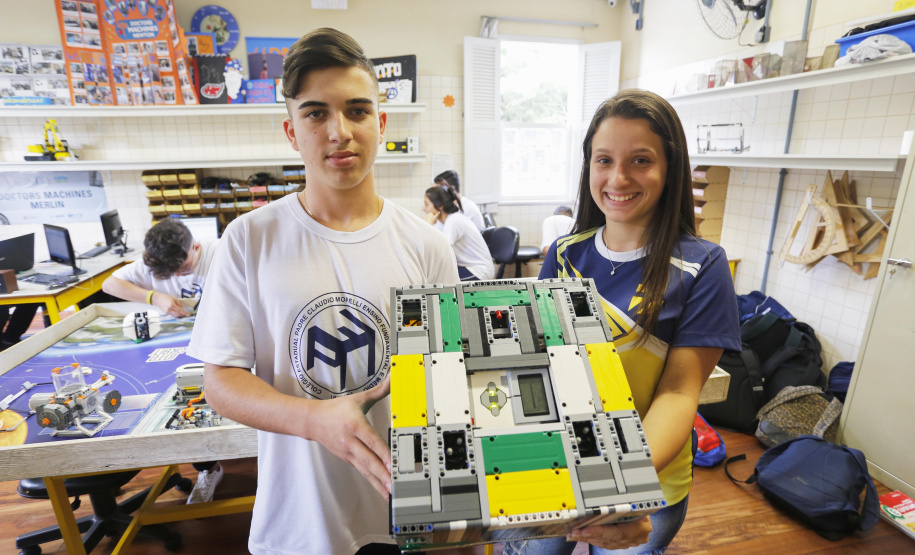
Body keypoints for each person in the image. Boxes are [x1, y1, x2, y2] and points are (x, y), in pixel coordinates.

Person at [186, 28, 459, 555]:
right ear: (292, 131)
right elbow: (220, 381)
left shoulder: (428, 246)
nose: (339, 132)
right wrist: (314, 419)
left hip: (408, 510)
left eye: (357, 111)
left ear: (380, 123)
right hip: (300, 522)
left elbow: (446, 378)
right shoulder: (249, 238)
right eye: (316, 114)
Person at [509, 90, 740, 555]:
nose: (618, 177)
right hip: (558, 463)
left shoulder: (702, 265)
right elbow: (537, 359)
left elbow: (678, 393)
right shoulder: (565, 253)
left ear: (669, 168)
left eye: (640, 160)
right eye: (603, 160)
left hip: (645, 476)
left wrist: (614, 483)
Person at [102, 218, 225, 504]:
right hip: (179, 346)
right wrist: (153, 296)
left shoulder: (222, 251)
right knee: (179, 400)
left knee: (209, 395)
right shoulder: (155, 262)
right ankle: (207, 466)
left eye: (183, 269)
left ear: (195, 247)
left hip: (219, 341)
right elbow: (110, 284)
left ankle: (214, 462)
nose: (179, 276)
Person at [423, 185, 494, 282]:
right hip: (467, 267)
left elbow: (441, 253)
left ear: (440, 206)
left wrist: (428, 225)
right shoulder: (446, 221)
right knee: (433, 278)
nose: (424, 209)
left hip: (478, 270)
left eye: (426, 204)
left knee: (436, 281)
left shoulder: (454, 221)